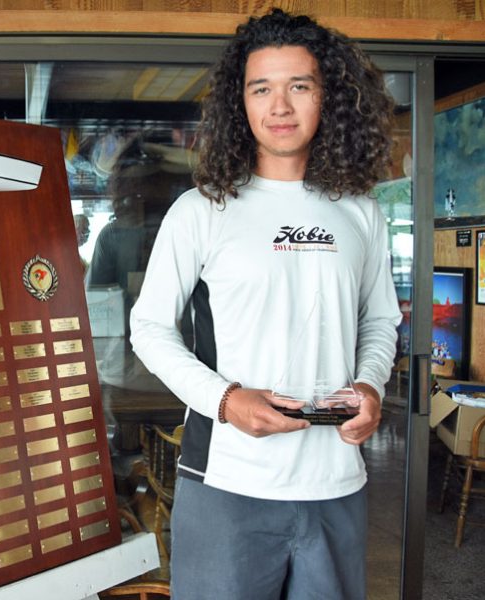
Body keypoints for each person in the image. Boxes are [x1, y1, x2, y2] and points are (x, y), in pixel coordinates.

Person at [129, 9, 402, 600]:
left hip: (336, 482)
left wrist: (372, 385)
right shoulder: (201, 210)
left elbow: (379, 320)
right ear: (240, 102)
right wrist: (225, 401)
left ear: (328, 97)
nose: (279, 106)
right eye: (262, 88)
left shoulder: (360, 211)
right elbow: (149, 328)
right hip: (227, 481)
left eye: (298, 86)